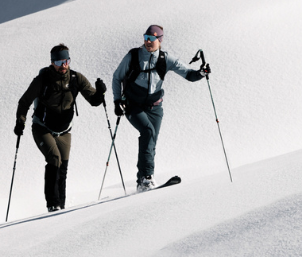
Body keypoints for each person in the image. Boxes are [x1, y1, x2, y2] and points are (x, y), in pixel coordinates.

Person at [112, 24, 209, 191]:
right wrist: (116, 101)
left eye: (152, 39)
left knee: (151, 142)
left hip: (155, 108)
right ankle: (146, 178)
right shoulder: (133, 56)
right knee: (148, 132)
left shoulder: (165, 59)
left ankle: (141, 181)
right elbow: (116, 78)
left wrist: (201, 73)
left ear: (160, 40)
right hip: (133, 105)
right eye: (146, 38)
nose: (148, 42)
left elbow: (188, 74)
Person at [15, 44, 106, 212]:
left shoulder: (76, 78)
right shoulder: (43, 80)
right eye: (59, 61)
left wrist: (100, 93)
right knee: (54, 159)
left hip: (64, 130)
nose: (63, 65)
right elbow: (24, 101)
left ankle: (61, 208)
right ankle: (53, 204)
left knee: (62, 167)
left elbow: (94, 101)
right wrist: (20, 121)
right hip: (42, 127)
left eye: (66, 61)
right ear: (52, 63)